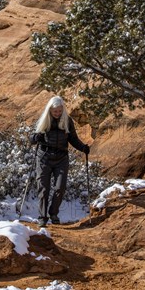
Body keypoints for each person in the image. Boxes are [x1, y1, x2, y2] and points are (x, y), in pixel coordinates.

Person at [30, 96, 90, 227]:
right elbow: (32, 139)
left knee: (60, 188)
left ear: (63, 109)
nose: (57, 113)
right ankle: (42, 217)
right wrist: (36, 137)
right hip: (44, 158)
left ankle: (53, 213)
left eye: (59, 111)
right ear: (50, 110)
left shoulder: (67, 121)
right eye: (54, 111)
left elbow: (73, 139)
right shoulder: (44, 120)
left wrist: (83, 147)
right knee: (43, 188)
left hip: (61, 158)